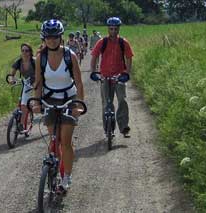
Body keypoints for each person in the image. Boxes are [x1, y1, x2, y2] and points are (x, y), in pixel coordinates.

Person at [33, 19, 85, 193]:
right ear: (44, 38)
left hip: (68, 99)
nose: (51, 40)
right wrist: (36, 102)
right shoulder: (41, 57)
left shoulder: (71, 56)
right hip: (49, 99)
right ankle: (54, 166)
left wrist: (78, 105)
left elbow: (78, 82)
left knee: (66, 141)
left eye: (55, 36)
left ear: (60, 37)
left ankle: (66, 177)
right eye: (48, 37)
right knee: (53, 139)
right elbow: (38, 83)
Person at [90, 17, 134, 138]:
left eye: (115, 29)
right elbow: (94, 56)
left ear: (119, 28)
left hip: (119, 76)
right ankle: (107, 128)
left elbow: (129, 57)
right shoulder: (102, 42)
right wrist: (93, 72)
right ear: (108, 29)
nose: (113, 31)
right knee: (106, 103)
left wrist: (127, 73)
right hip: (105, 76)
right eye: (111, 29)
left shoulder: (123, 42)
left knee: (122, 100)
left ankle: (124, 126)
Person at [8, 43, 36, 134]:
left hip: (37, 83)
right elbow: (11, 74)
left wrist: (37, 83)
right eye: (22, 50)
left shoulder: (34, 61)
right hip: (27, 83)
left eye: (26, 50)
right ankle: (21, 124)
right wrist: (11, 80)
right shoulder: (19, 61)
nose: (24, 52)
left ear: (30, 52)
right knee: (23, 104)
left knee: (42, 101)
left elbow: (41, 73)